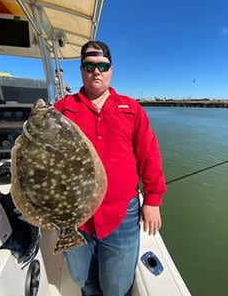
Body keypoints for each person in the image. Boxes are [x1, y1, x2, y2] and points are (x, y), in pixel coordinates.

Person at [54, 41, 167, 296]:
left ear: (111, 70)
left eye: (102, 66)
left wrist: (152, 200)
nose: (96, 71)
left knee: (117, 286)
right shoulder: (61, 110)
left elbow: (149, 153)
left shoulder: (131, 108)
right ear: (81, 70)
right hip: (75, 213)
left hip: (122, 212)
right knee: (85, 280)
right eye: (89, 65)